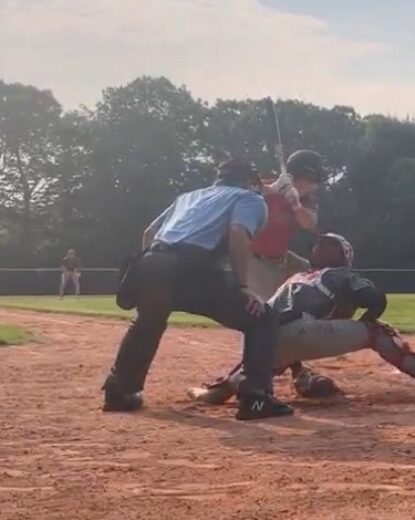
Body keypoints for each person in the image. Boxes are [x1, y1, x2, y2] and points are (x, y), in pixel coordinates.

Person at [103, 157, 292, 421]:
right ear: (248, 181)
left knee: (148, 321)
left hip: (149, 263)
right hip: (190, 266)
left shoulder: (189, 197)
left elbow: (149, 233)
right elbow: (238, 233)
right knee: (263, 316)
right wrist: (242, 287)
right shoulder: (248, 199)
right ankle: (256, 398)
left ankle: (118, 392)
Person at [187, 233, 415, 404]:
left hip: (268, 338)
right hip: (305, 331)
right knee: (378, 331)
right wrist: (368, 319)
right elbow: (375, 298)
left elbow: (269, 324)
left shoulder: (295, 278)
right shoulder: (340, 274)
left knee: (273, 351)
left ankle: (221, 389)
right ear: (344, 256)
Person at [247, 150, 327, 300]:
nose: (315, 184)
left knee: (313, 276)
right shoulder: (265, 187)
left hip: (280, 256)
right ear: (301, 174)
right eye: (313, 177)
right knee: (270, 306)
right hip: (255, 259)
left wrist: (296, 205)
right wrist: (275, 189)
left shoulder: (307, 200)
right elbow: (243, 195)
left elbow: (309, 223)